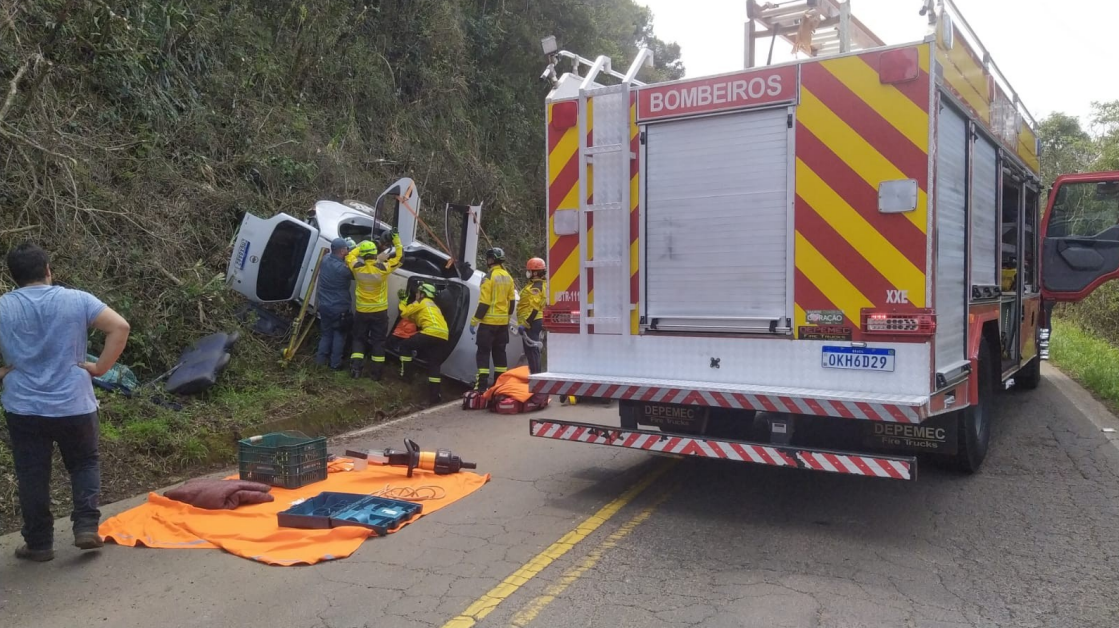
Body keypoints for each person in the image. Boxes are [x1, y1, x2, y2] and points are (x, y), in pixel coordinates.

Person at [0, 243, 131, 562]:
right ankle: (86, 527)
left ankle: (39, 543)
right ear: (47, 269)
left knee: (32, 473)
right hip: (74, 402)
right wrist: (100, 368)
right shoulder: (77, 299)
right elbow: (120, 327)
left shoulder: (3, 307)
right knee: (84, 462)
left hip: (24, 406)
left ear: (13, 276)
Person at [345, 232, 403, 380]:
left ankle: (355, 370)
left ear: (363, 256)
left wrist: (364, 246)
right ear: (374, 254)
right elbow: (400, 258)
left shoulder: (357, 268)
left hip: (362, 311)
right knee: (378, 342)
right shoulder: (382, 269)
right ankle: (376, 374)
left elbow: (349, 255)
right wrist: (396, 240)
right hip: (379, 312)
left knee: (358, 339)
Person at [470, 247, 516, 391]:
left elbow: (484, 303)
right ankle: (500, 386)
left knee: (483, 353)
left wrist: (474, 321)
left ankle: (481, 388)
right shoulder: (508, 277)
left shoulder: (489, 277)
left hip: (488, 324)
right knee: (500, 354)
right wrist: (507, 318)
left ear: (491, 260)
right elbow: (512, 301)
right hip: (502, 325)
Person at [396, 283, 450, 403]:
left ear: (423, 294)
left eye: (418, 292)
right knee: (434, 365)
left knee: (405, 346)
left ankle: (406, 377)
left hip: (430, 332)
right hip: (443, 335)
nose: (416, 294)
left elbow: (404, 314)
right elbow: (415, 318)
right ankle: (434, 398)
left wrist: (403, 301)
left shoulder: (422, 302)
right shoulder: (434, 306)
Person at [314, 238, 354, 370]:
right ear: (342, 251)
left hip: (324, 305)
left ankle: (319, 362)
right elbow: (355, 273)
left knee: (326, 333)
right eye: (347, 249)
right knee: (339, 335)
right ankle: (335, 364)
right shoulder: (343, 269)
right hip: (339, 307)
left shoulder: (325, 259)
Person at [517, 257, 547, 374]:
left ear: (535, 272)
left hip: (533, 322)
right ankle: (534, 377)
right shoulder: (535, 285)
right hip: (532, 321)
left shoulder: (537, 287)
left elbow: (534, 308)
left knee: (532, 350)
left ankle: (536, 377)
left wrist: (525, 324)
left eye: (529, 270)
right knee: (531, 350)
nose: (527, 272)